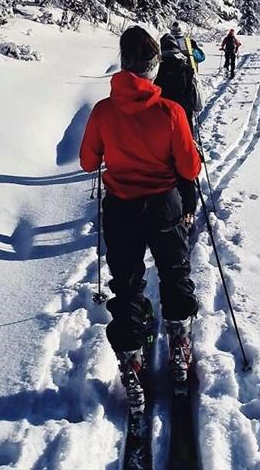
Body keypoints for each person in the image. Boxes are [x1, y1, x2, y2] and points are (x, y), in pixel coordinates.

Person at [79, 26, 202, 413]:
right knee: (174, 272)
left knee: (128, 286)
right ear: (153, 68)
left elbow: (87, 162)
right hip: (164, 206)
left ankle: (131, 360)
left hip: (121, 209)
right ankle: (179, 346)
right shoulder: (170, 111)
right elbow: (188, 165)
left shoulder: (103, 110)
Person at [156, 30, 204, 225]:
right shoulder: (187, 68)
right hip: (183, 122)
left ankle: (166, 206)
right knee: (185, 167)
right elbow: (199, 102)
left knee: (165, 166)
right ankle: (188, 212)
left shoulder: (154, 70)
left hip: (157, 125)